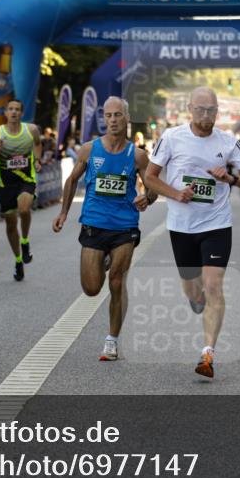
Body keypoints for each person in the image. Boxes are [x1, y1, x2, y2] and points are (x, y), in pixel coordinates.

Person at [143, 86, 240, 378]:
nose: (206, 115)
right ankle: (194, 298)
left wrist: (231, 178)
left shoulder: (228, 142)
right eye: (200, 110)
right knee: (192, 287)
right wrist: (175, 194)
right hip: (181, 227)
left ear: (217, 111)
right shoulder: (171, 138)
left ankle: (207, 353)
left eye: (211, 110)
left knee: (214, 286)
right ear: (190, 110)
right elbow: (150, 177)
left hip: (216, 224)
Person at [53, 96, 156, 361]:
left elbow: (153, 186)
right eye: (108, 116)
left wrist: (148, 197)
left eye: (117, 115)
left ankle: (112, 340)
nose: (112, 120)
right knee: (91, 288)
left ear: (126, 119)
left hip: (125, 225)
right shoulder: (89, 150)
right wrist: (64, 212)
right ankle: (105, 259)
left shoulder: (138, 156)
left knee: (117, 281)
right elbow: (72, 180)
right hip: (94, 223)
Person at [0, 99, 42, 282]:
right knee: (10, 224)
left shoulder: (31, 130)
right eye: (11, 109)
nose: (14, 112)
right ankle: (18, 261)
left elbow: (38, 143)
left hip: (26, 180)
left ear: (21, 113)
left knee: (24, 209)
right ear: (5, 112)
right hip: (6, 184)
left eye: (17, 109)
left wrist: (38, 159)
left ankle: (25, 241)